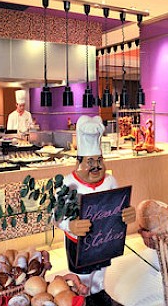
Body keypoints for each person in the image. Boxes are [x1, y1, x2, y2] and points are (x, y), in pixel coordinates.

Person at [57, 115, 135, 306]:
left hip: (104, 240)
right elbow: (56, 215)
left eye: (99, 160)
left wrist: (127, 214)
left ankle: (98, 292)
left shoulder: (110, 181)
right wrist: (70, 225)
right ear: (79, 162)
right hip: (78, 243)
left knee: (100, 270)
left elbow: (119, 205)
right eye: (90, 161)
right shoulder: (68, 183)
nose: (96, 166)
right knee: (82, 275)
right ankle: (82, 298)